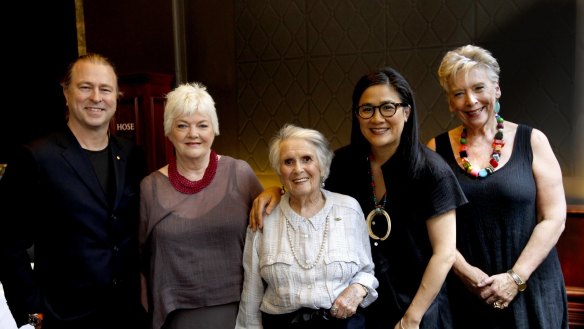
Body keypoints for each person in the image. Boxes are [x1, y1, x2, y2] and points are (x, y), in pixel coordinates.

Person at [250, 67, 468, 329]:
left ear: (407, 112)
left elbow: (444, 254)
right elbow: (306, 184)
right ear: (357, 114)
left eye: (388, 107)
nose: (377, 118)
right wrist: (275, 190)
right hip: (363, 309)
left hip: (419, 308)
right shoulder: (343, 163)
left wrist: (412, 318)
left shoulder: (433, 172)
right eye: (367, 109)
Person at [0, 53, 149, 328]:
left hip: (128, 316)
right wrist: (34, 317)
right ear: (66, 93)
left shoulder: (132, 156)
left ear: (117, 96)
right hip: (62, 319)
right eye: (85, 87)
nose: (96, 97)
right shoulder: (35, 157)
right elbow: (6, 243)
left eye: (105, 89)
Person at [427, 44, 568, 328]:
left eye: (479, 88)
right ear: (450, 102)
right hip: (466, 296)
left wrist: (515, 278)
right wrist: (468, 275)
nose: (470, 100)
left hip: (532, 289)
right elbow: (433, 229)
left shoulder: (533, 141)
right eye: (458, 93)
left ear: (496, 90)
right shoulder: (436, 150)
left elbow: (554, 218)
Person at [138, 82, 264, 329]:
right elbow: (138, 258)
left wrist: (275, 192)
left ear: (214, 129)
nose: (193, 134)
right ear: (169, 131)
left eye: (202, 125)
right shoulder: (149, 188)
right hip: (176, 314)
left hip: (241, 310)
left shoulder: (240, 173)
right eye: (182, 125)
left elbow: (271, 231)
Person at [236, 123, 378, 329]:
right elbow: (252, 290)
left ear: (322, 165)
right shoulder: (263, 215)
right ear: (279, 170)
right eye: (288, 162)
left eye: (307, 159)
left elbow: (367, 270)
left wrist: (357, 289)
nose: (298, 169)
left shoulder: (349, 209)